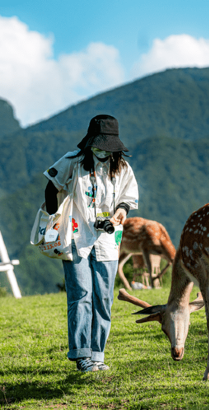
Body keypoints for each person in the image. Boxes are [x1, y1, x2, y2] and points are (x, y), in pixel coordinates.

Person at [44, 114, 139, 372]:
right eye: (98, 146)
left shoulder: (121, 167)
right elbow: (51, 186)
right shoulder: (73, 162)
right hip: (77, 238)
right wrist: (54, 216)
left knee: (104, 297)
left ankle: (98, 355)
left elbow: (128, 197)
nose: (102, 151)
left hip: (108, 240)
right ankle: (81, 354)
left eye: (107, 147)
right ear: (89, 143)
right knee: (81, 295)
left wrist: (121, 211)